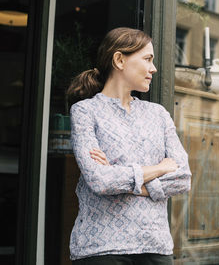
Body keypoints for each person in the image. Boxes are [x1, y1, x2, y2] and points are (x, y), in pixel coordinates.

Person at [66, 27, 192, 265]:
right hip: (102, 248)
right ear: (119, 60)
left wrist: (120, 178)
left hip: (155, 246)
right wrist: (159, 168)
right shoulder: (85, 111)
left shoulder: (158, 114)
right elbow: (100, 180)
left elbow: (182, 178)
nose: (153, 68)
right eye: (147, 59)